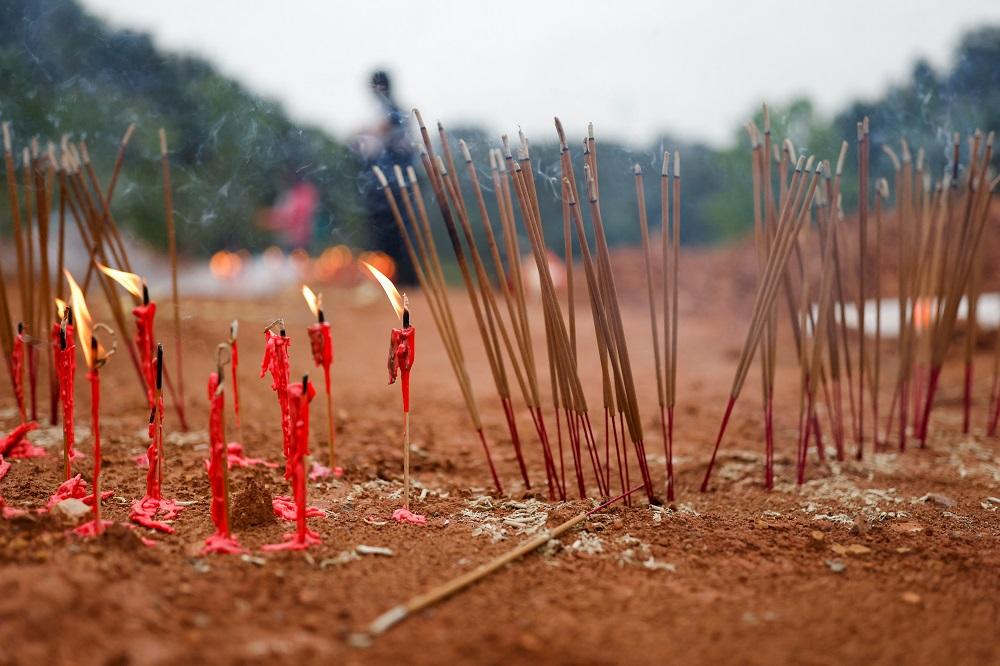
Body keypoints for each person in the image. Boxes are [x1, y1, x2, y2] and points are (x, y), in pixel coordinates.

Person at [351, 70, 417, 285]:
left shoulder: (393, 110)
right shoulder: (385, 109)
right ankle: (388, 278)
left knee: (397, 233)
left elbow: (383, 129)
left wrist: (362, 131)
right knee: (386, 233)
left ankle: (404, 281)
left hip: (395, 184)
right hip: (384, 183)